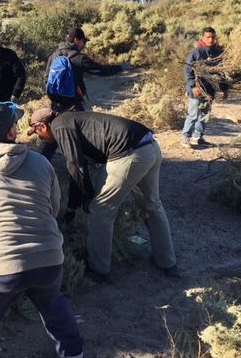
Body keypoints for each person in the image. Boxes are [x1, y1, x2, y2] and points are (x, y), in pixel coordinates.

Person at [0, 102, 85, 358]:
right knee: (53, 304)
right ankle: (73, 353)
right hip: (49, 257)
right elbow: (53, 208)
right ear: (13, 131)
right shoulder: (40, 162)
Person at [28, 108, 179, 284]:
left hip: (128, 154)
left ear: (43, 127)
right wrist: (74, 207)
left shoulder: (60, 126)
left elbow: (75, 165)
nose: (41, 139)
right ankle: (167, 262)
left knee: (99, 212)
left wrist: (89, 198)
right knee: (153, 205)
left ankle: (99, 270)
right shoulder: (74, 119)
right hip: (151, 148)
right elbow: (78, 167)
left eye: (38, 134)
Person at [44, 27, 131, 113]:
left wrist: (55, 95)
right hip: (73, 104)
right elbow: (101, 70)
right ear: (76, 40)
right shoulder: (79, 58)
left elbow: (46, 78)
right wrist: (120, 67)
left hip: (56, 104)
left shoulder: (54, 55)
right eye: (83, 41)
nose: (83, 44)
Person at [181, 27, 229, 148]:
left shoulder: (218, 53)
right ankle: (185, 137)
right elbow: (188, 71)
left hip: (210, 89)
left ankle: (198, 137)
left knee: (204, 115)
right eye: (208, 37)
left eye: (212, 37)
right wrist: (193, 86)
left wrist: (224, 88)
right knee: (193, 114)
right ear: (203, 38)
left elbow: (221, 73)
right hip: (197, 90)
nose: (210, 39)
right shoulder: (196, 52)